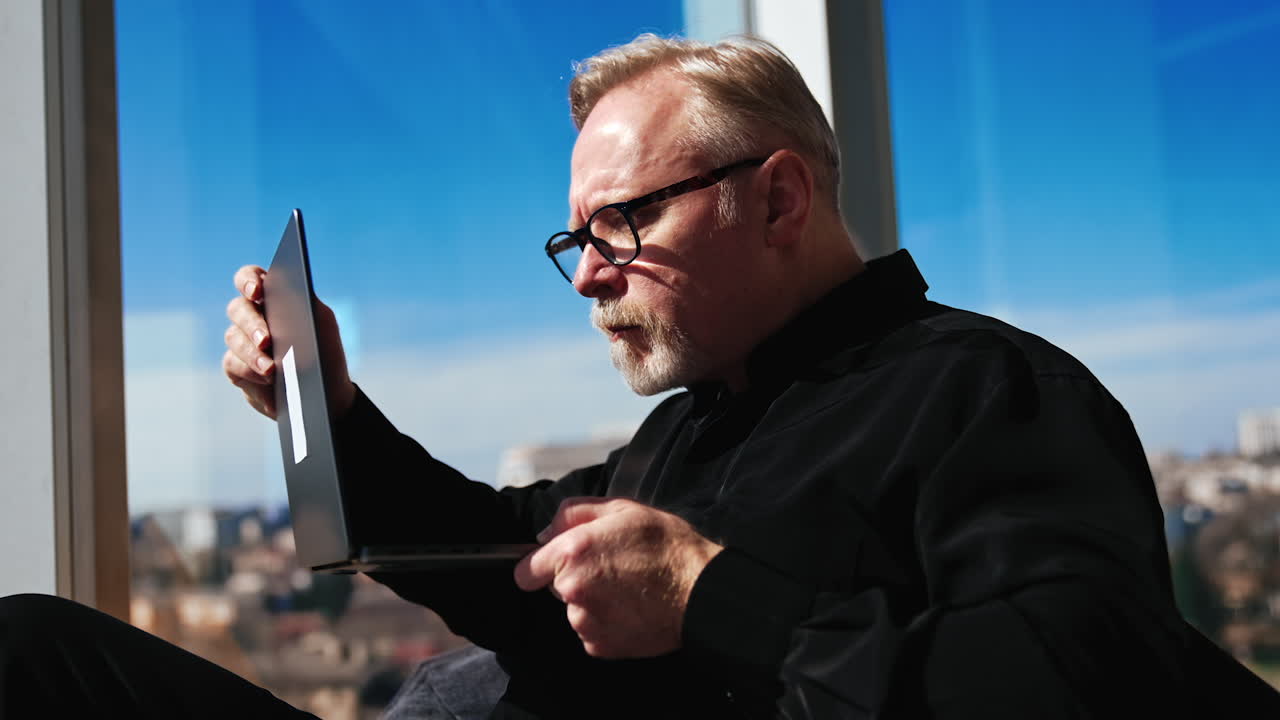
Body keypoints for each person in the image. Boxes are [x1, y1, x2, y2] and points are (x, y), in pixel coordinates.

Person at [1, 33, 1277, 719]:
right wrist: (326, 409)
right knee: (33, 649)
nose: (585, 276)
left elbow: (1078, 683)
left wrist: (712, 597)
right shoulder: (694, 432)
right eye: (574, 239)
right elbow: (506, 558)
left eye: (622, 227)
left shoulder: (979, 394)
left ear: (774, 197)